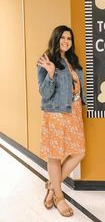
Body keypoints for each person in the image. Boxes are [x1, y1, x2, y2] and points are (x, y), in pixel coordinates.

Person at [37, 25, 86, 217]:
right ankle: (59, 197)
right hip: (55, 114)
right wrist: (50, 74)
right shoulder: (46, 60)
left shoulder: (72, 60)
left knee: (79, 152)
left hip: (73, 113)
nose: (66, 41)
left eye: (69, 38)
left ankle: (52, 186)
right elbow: (44, 93)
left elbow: (77, 87)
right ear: (55, 38)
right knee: (55, 156)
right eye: (62, 37)